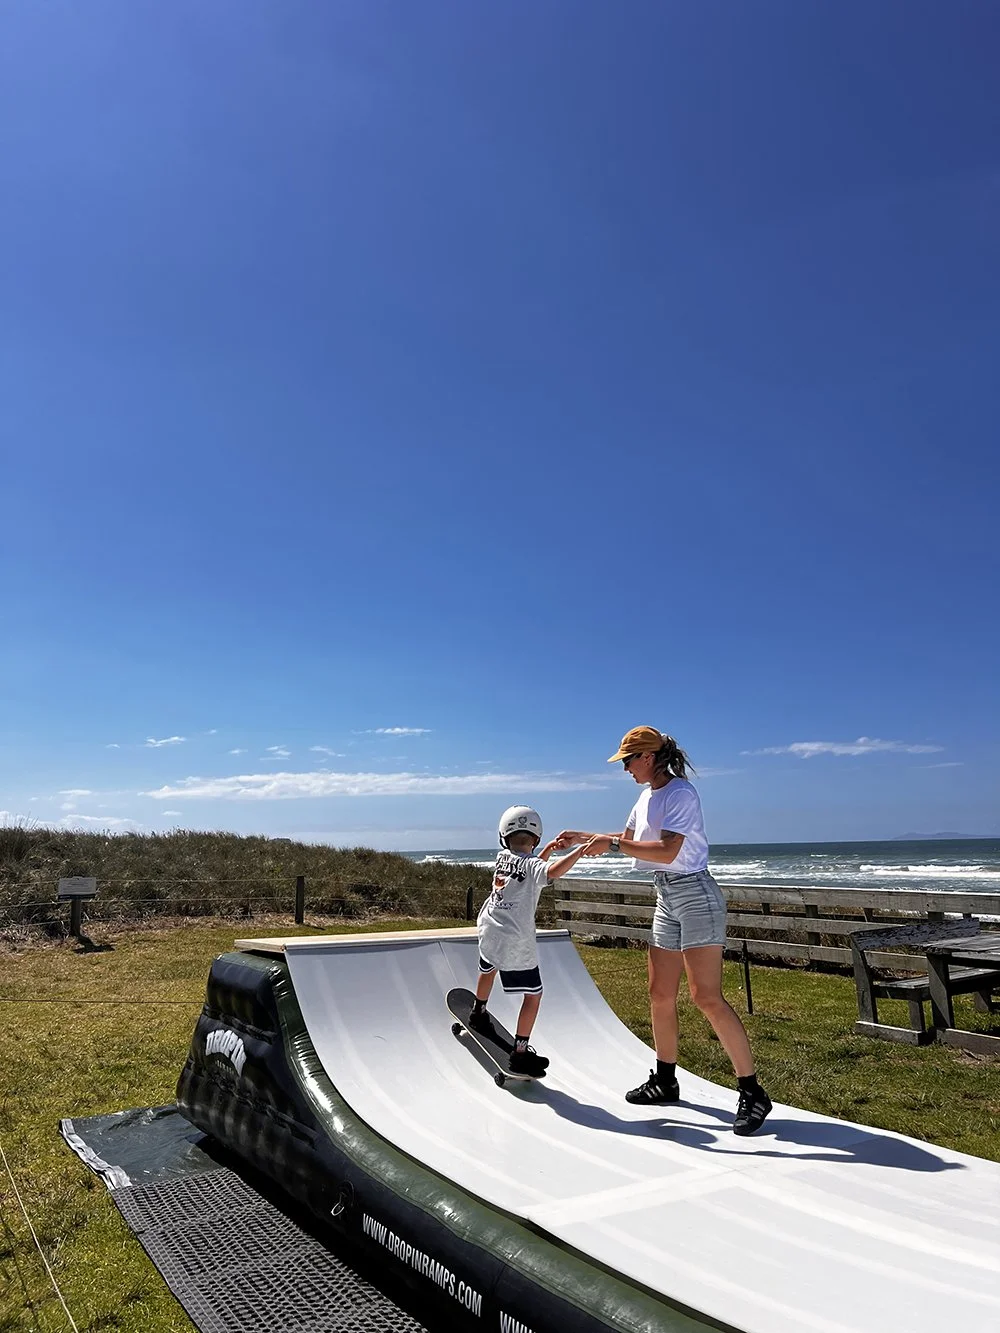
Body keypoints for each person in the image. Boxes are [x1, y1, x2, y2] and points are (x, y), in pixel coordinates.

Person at [556, 726, 772, 1135]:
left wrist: (612, 845)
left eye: (628, 760)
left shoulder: (680, 794)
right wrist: (586, 838)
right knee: (660, 994)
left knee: (706, 997)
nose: (625, 769)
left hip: (696, 895)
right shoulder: (647, 796)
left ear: (649, 757)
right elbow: (634, 839)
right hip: (666, 896)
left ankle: (752, 1092)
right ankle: (665, 1079)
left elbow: (669, 849)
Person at [472, 804, 598, 1076]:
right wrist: (580, 850)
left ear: (503, 836)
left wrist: (550, 850)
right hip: (515, 941)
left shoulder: (502, 857)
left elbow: (529, 867)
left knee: (488, 969)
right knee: (533, 995)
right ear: (536, 837)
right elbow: (548, 872)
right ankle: (519, 1053)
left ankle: (477, 1012)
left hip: (490, 928)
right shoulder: (533, 865)